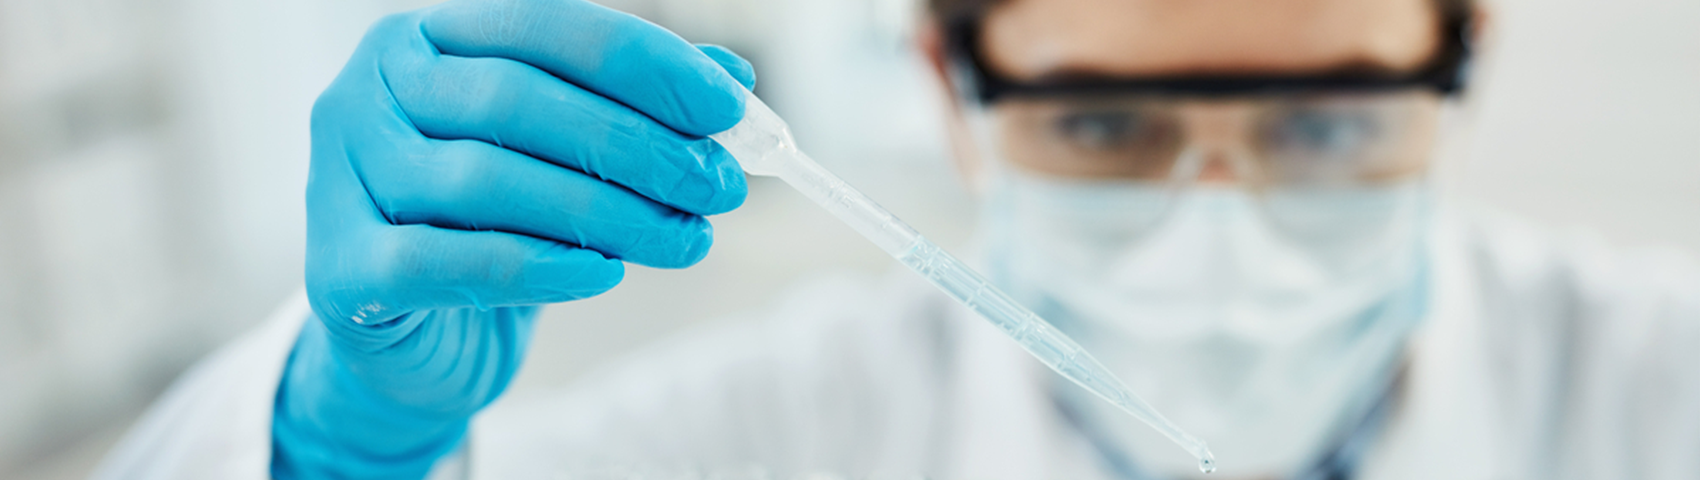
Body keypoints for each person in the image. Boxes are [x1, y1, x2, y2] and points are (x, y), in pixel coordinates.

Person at [94, 0, 1700, 478]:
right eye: (1107, 125)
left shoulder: (1655, 381)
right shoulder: (769, 434)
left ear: (1463, 62)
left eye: (1328, 121)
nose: (1227, 218)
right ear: (949, 84)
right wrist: (337, 443)